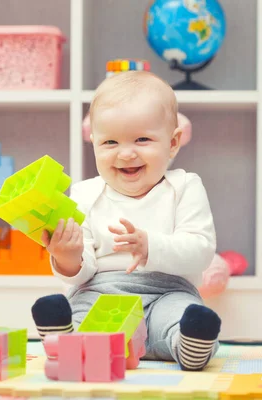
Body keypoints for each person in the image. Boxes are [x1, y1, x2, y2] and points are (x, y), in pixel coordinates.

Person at [31, 71, 221, 371]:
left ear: (172, 143)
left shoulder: (185, 187)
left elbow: (200, 250)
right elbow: (82, 273)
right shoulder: (85, 193)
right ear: (93, 143)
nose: (127, 153)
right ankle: (64, 338)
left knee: (182, 315)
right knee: (82, 311)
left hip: (167, 291)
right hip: (100, 290)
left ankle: (189, 344)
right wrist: (67, 257)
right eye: (110, 142)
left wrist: (151, 246)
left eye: (142, 139)